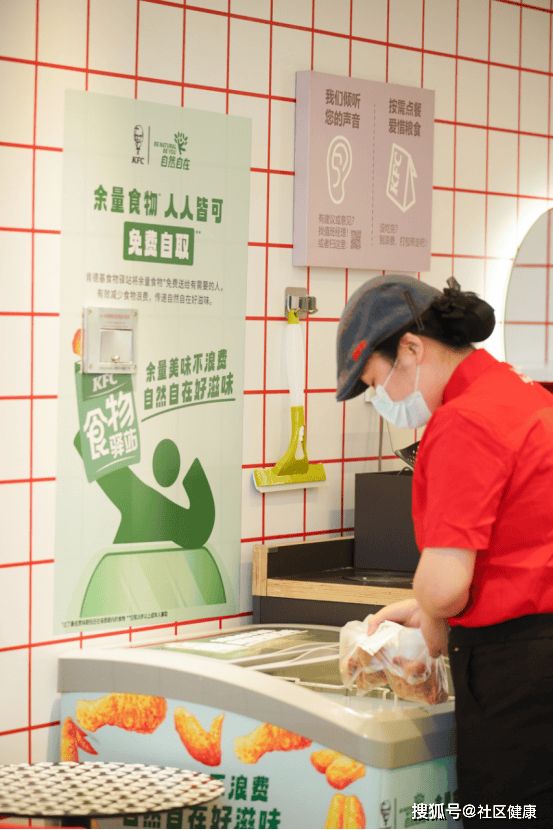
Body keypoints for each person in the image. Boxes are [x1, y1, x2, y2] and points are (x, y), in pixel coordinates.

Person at [336, 274, 553, 830]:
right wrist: (427, 607)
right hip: (539, 655)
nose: (381, 402)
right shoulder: (521, 393)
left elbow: (446, 586)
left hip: (518, 669)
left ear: (411, 348)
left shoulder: (465, 419)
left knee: (505, 815)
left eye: (376, 383)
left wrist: (431, 612)